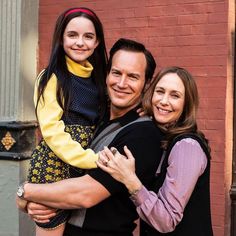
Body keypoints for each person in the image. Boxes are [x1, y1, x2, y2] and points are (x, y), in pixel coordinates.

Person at [16, 38, 164, 236]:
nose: (121, 83)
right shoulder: (96, 117)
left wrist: (26, 192)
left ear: (146, 84)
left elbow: (84, 194)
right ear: (107, 74)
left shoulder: (142, 134)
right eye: (116, 73)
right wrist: (34, 203)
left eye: (133, 77)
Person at [20, 7, 108, 236]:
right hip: (55, 166)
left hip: (82, 167)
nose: (80, 42)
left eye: (88, 36)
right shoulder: (51, 77)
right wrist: (91, 159)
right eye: (72, 35)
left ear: (98, 42)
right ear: (61, 37)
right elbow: (52, 131)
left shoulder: (99, 78)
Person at [97, 66, 214, 236]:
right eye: (160, 92)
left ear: (186, 103)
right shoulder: (163, 137)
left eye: (175, 96)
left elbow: (166, 220)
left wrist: (130, 179)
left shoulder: (187, 146)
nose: (164, 101)